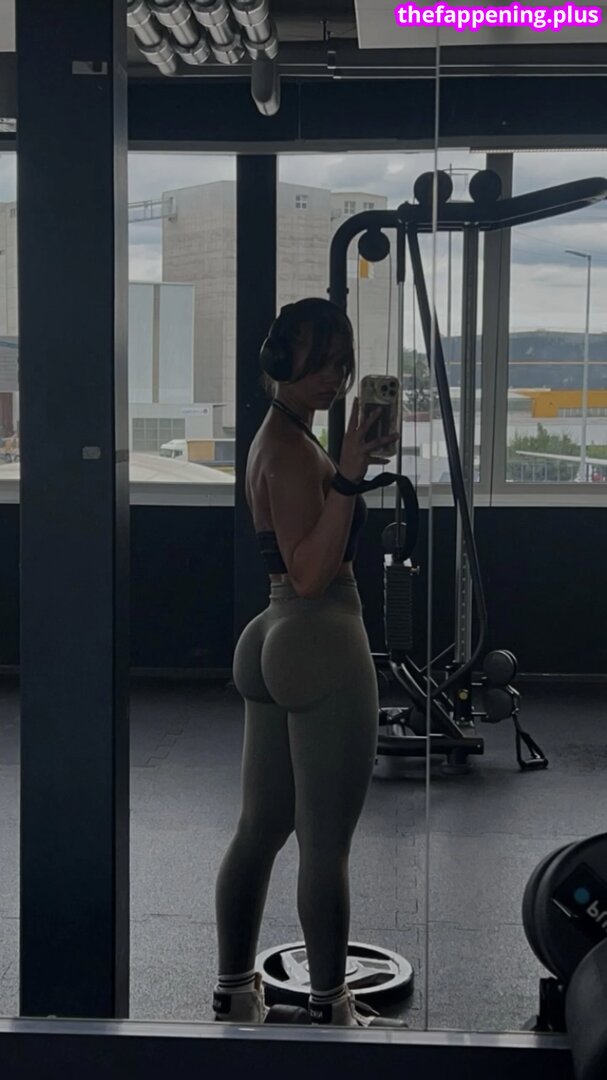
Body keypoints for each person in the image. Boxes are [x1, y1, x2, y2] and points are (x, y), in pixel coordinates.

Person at [212, 297, 401, 1027]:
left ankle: (235, 991)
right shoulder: (290, 451)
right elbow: (311, 573)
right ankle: (331, 1006)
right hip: (319, 636)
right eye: (318, 361)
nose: (333, 377)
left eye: (341, 364)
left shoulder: (278, 434)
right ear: (278, 359)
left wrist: (347, 469)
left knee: (260, 828)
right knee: (325, 847)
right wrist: (348, 477)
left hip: (273, 635)